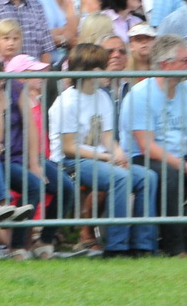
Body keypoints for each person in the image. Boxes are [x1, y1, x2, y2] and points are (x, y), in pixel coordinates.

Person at [49, 43, 157, 256]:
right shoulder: (66, 102)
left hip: (99, 159)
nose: (110, 69)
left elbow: (107, 135)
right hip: (69, 162)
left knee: (147, 177)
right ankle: (117, 246)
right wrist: (107, 157)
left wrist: (118, 153)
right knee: (120, 178)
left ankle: (143, 244)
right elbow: (69, 148)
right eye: (104, 66)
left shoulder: (102, 96)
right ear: (91, 71)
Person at [120, 35, 187, 256]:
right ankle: (176, 248)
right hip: (142, 157)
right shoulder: (140, 95)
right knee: (170, 176)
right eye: (185, 60)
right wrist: (185, 166)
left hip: (180, 156)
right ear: (166, 65)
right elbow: (146, 146)